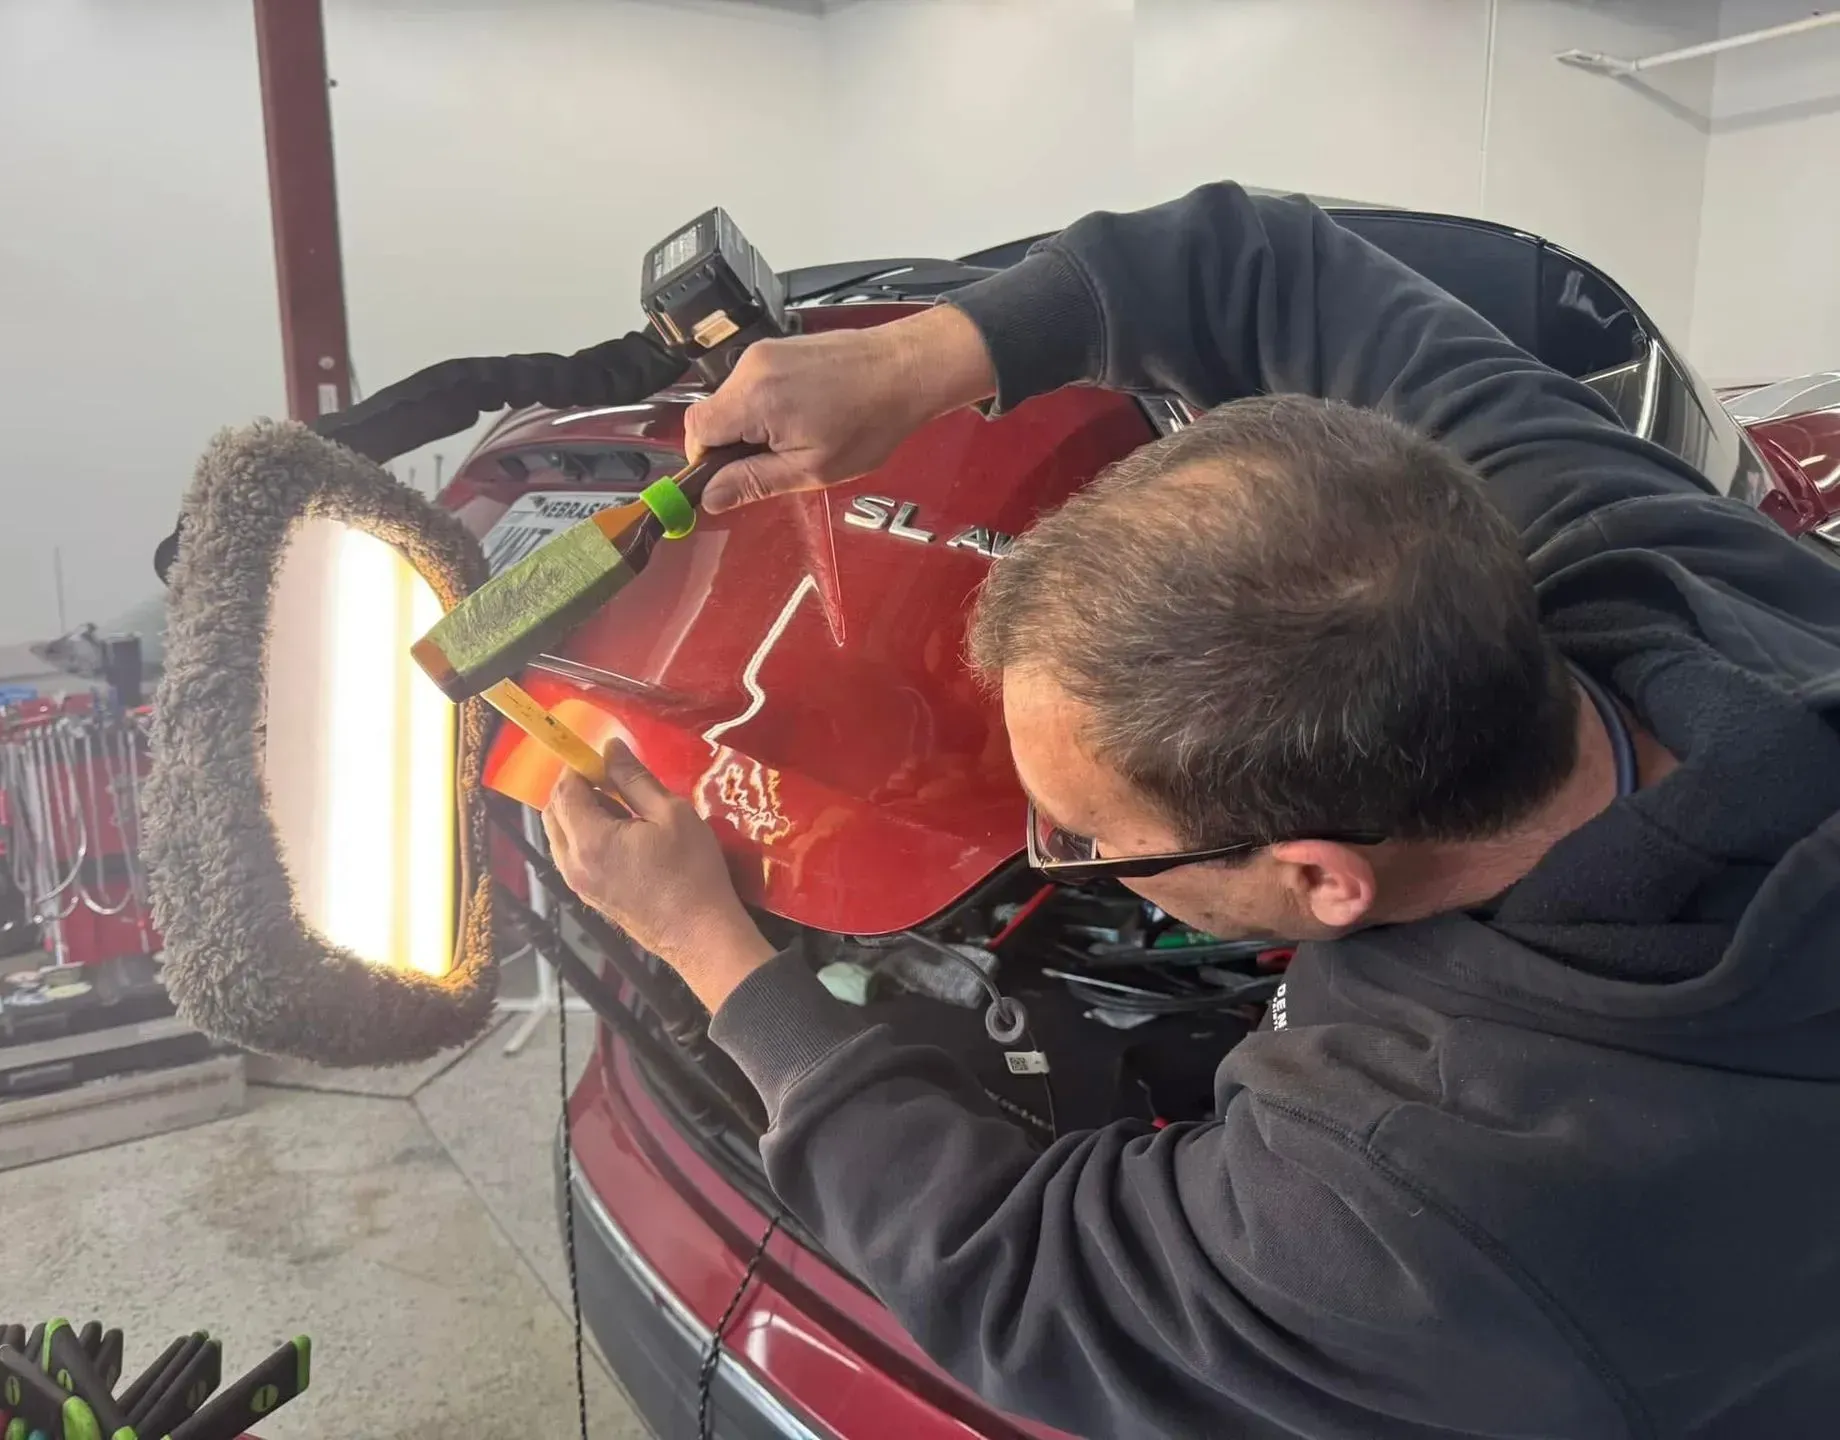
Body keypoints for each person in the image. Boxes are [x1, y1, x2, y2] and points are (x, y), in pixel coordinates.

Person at [541, 183, 1840, 1438]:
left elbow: (1021, 1274)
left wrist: (714, 956)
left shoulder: (1440, 1202)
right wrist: (912, 362)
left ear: (1323, 883)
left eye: (1087, 839)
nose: (1063, 856)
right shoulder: (1633, 541)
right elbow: (1262, 258)